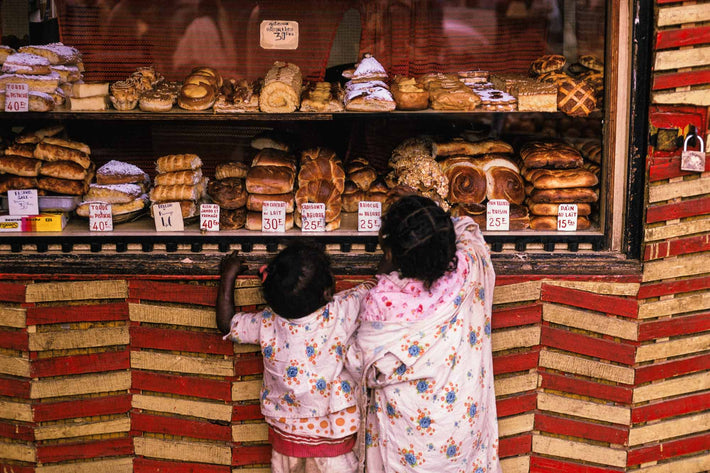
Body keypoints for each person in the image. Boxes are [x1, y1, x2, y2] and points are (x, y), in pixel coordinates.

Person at [346, 195, 502, 473]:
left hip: (410, 447)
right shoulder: (471, 267)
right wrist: (427, 214)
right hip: (461, 433)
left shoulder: (381, 300)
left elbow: (360, 365)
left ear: (391, 254)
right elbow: (465, 226)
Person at [216, 242, 374, 473]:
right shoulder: (341, 311)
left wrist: (228, 276)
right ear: (327, 293)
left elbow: (226, 322)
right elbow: (374, 286)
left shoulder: (266, 323)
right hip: (335, 440)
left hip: (286, 444)